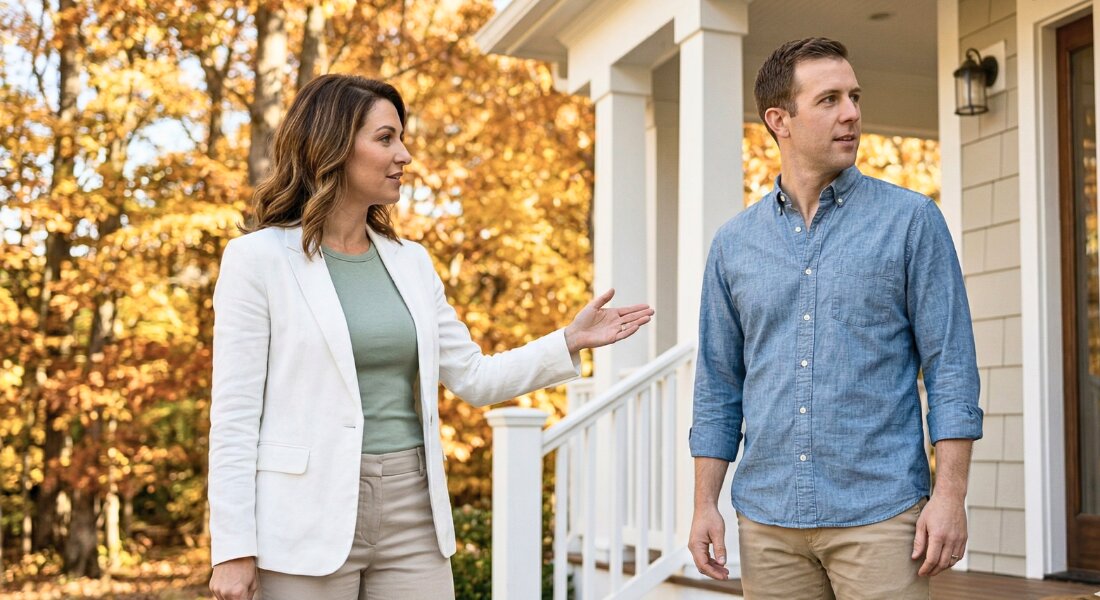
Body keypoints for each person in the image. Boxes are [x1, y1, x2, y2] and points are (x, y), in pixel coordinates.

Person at [207, 74, 653, 600]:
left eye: (401, 138)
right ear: (333, 146)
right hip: (303, 517)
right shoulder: (257, 260)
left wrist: (568, 341)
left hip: (413, 511)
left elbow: (474, 377)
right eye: (386, 138)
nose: (405, 155)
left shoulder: (410, 262)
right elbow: (234, 418)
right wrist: (233, 549)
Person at [688, 38, 983, 599]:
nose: (851, 113)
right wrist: (705, 504)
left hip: (881, 516)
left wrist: (949, 497)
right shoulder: (734, 245)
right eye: (829, 100)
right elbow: (718, 387)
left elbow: (951, 369)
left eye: (854, 97)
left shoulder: (911, 221)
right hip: (768, 522)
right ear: (781, 120)